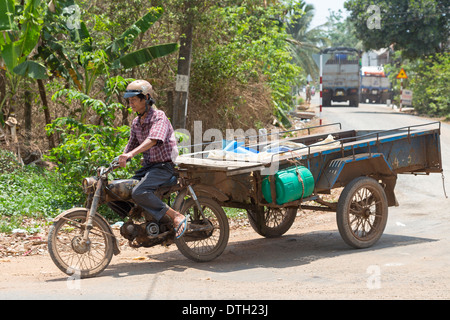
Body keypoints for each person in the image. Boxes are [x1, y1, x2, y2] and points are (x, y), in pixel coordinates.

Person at [118, 79, 187, 238]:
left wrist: (130, 155)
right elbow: (130, 145)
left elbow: (153, 140)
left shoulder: (159, 117)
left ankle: (175, 216)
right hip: (149, 167)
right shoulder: (136, 122)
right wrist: (118, 160)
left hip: (165, 166)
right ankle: (147, 221)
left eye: (134, 100)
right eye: (129, 100)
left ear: (146, 98)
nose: (131, 104)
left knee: (139, 191)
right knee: (121, 190)